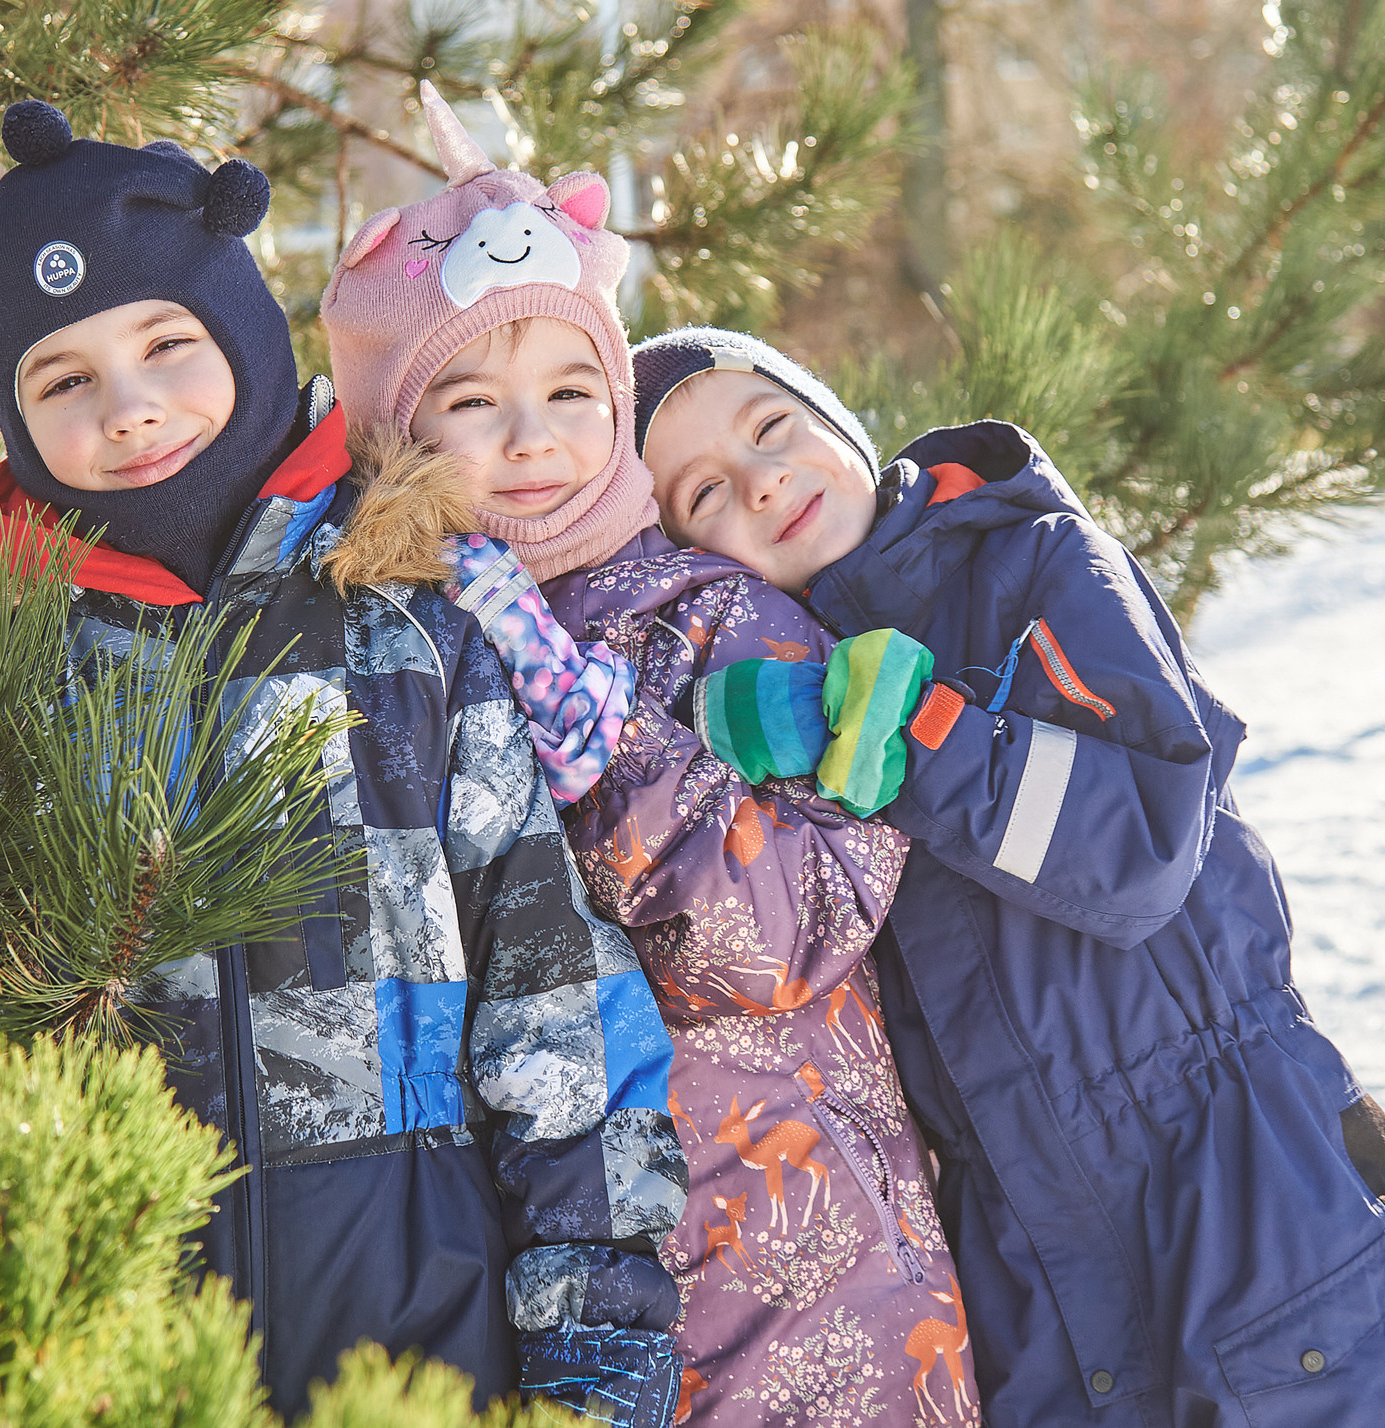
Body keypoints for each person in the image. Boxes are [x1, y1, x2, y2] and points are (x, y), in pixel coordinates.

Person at [0, 101, 692, 1425]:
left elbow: (549, 989)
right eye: (63, 381)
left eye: (168, 344)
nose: (131, 408)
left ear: (245, 332)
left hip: (422, 1329)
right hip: (115, 1342)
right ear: (15, 421)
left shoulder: (408, 636)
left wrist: (595, 1329)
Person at [626, 325, 1385, 1427]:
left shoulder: (1033, 563)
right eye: (704, 493)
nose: (761, 480)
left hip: (1240, 1180)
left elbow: (1142, 851)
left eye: (771, 426)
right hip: (1022, 1255)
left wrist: (908, 732)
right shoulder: (781, 705)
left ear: (837, 419)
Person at [321, 86, 979, 1426]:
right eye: (473, 402)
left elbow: (799, 928)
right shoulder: (389, 653)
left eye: (571, 391)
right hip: (539, 1289)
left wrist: (609, 744)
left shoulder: (713, 617)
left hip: (807, 1278)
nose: (535, 438)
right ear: (396, 427)